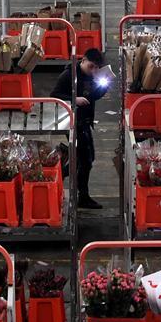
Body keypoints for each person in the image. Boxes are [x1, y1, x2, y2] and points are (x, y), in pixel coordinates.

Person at [51, 48, 109, 209]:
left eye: (97, 68)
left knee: (85, 159)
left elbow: (93, 96)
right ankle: (80, 194)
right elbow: (54, 96)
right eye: (91, 66)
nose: (94, 70)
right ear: (83, 60)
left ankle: (61, 176)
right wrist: (74, 100)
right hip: (73, 122)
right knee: (86, 160)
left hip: (85, 121)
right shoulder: (69, 75)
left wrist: (103, 85)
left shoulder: (92, 76)